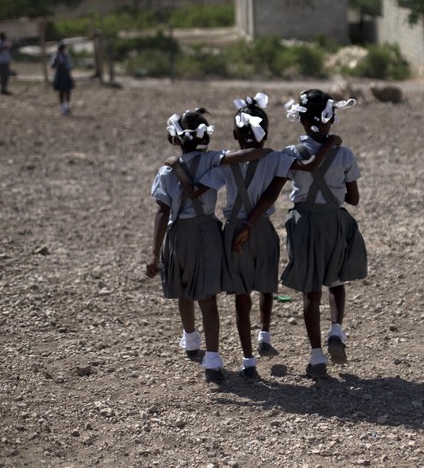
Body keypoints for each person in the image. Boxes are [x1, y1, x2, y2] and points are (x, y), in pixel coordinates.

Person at [169, 94, 342, 380]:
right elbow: (309, 166)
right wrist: (330, 141)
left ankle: (248, 361)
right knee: (266, 287)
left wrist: (176, 165)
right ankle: (265, 333)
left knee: (241, 297)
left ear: (236, 134)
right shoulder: (277, 158)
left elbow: (196, 190)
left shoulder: (226, 163)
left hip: (233, 232)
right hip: (262, 229)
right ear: (267, 130)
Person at [233, 89, 366, 379]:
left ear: (302, 121)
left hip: (304, 223)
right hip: (334, 222)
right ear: (332, 118)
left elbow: (272, 193)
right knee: (336, 280)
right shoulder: (344, 154)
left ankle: (317, 357)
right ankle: (336, 330)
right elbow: (353, 199)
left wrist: (249, 222)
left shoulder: (290, 154)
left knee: (311, 290)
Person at [146, 108, 271, 383]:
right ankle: (212, 359)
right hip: (209, 233)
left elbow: (161, 211)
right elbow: (245, 156)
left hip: (180, 233)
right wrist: (263, 149)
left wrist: (154, 251)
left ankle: (190, 338)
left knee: (183, 287)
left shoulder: (166, 170)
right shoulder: (215, 160)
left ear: (177, 139)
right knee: (208, 297)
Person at [51, 42, 74, 115]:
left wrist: (70, 67)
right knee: (61, 92)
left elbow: (69, 65)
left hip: (65, 75)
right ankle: (63, 108)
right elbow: (53, 66)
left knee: (67, 91)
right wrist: (56, 60)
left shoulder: (66, 56)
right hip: (60, 75)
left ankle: (66, 107)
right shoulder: (56, 56)